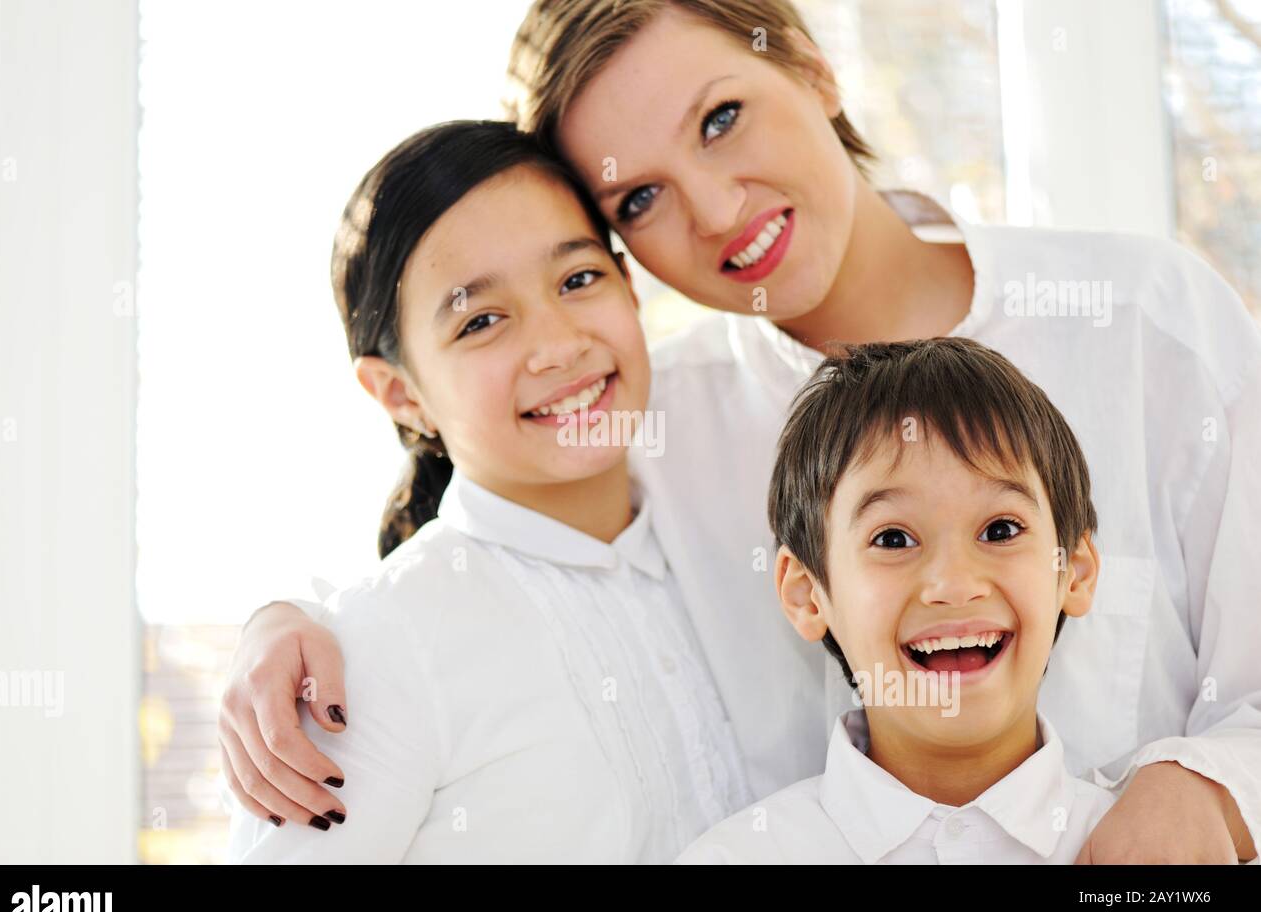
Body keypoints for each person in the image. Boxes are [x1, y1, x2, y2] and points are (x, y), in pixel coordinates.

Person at [220, 0, 1260, 862]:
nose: (715, 211)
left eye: (720, 118)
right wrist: (290, 623)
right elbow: (498, 545)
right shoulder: (650, 415)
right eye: (639, 197)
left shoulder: (1139, 317)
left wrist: (1211, 786)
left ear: (810, 68)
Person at [227, 120, 752, 863]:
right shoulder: (373, 651)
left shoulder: (734, 521)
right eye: (481, 320)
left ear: (629, 287)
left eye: (577, 279)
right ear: (400, 394)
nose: (560, 344)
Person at [679, 337, 1118, 863]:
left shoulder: (1158, 858)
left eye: (1000, 529)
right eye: (892, 540)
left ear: (1076, 570)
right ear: (806, 593)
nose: (954, 585)